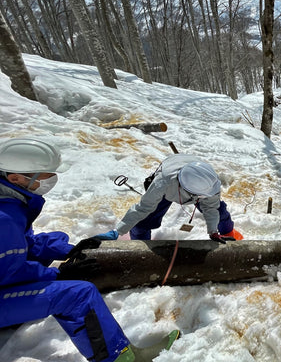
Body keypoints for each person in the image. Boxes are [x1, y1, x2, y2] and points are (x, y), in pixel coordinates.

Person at [0, 138, 179, 362]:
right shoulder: (4, 219)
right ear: (15, 178)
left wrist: (71, 250)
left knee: (55, 239)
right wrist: (59, 274)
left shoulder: (10, 201)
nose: (52, 180)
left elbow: (26, 244)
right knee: (79, 295)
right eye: (46, 175)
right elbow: (7, 274)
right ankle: (119, 358)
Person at [95, 154, 240, 243]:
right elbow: (142, 208)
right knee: (143, 222)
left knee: (219, 211)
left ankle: (228, 234)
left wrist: (213, 231)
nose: (204, 198)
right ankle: (140, 247)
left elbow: (211, 208)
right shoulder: (163, 183)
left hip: (190, 169)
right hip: (170, 180)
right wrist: (118, 231)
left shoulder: (210, 182)